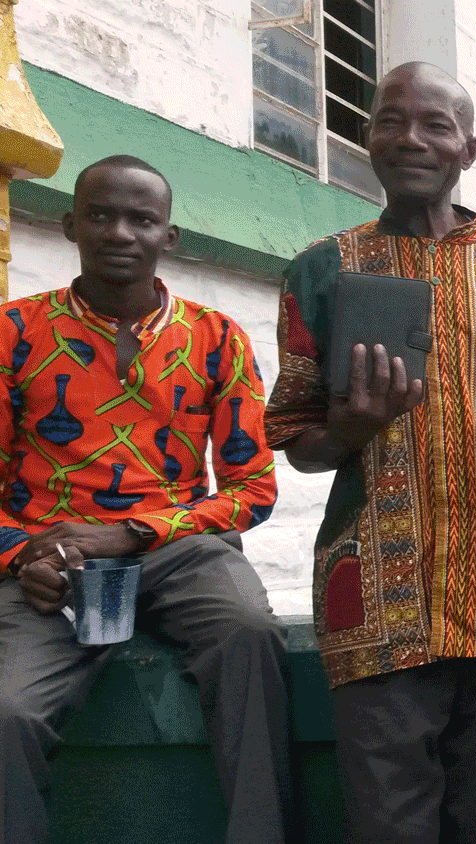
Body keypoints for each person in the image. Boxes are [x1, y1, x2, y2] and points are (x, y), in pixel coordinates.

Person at [263, 63, 476, 843]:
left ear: (468, 149)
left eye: (435, 125)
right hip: (376, 601)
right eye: (390, 120)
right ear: (367, 136)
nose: (411, 138)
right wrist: (350, 429)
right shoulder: (322, 270)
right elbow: (295, 439)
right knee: (388, 826)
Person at [0, 155, 289, 843]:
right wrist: (19, 560)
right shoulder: (14, 333)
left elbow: (253, 490)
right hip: (54, 558)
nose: (119, 233)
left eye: (141, 219)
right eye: (99, 215)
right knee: (8, 710)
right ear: (71, 225)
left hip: (177, 549)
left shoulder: (216, 338)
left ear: (170, 236)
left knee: (251, 633)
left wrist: (133, 532)